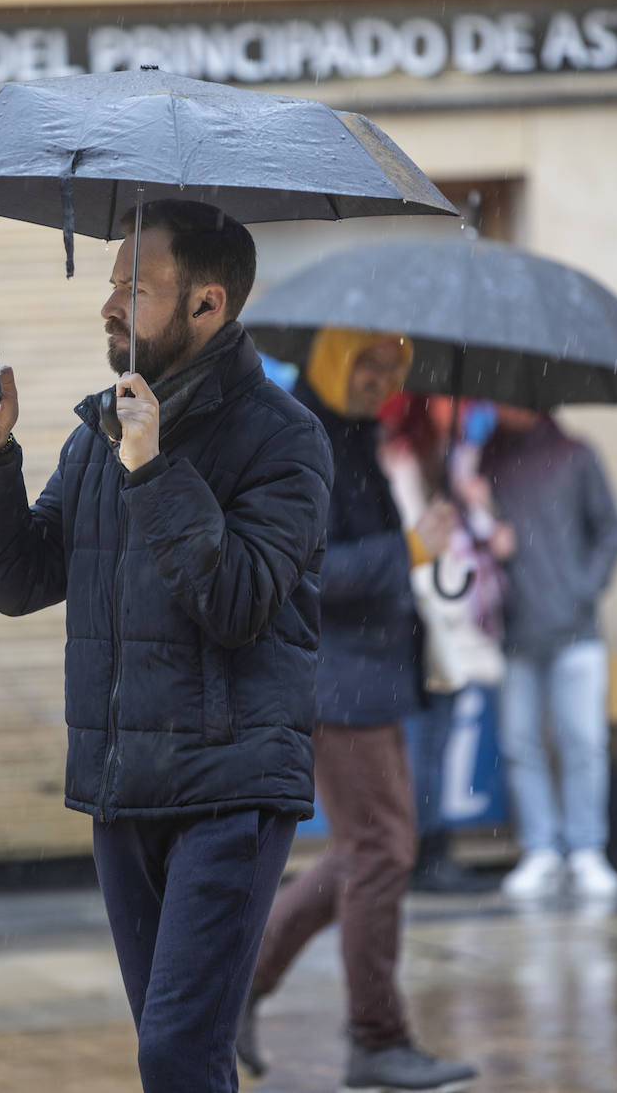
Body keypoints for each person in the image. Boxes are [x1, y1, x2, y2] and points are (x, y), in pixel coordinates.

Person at [0, 200, 333, 1093]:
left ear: (208, 305)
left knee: (177, 1054)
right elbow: (20, 578)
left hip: (228, 790)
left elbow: (235, 600)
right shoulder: (102, 434)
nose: (109, 305)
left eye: (134, 285)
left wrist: (156, 468)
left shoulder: (285, 440)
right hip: (122, 791)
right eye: (112, 281)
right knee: (176, 1055)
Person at [237, 328, 479, 1093]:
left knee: (367, 849)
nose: (380, 379)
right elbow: (306, 570)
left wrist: (424, 526)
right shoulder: (300, 438)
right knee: (381, 851)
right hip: (334, 674)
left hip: (365, 671)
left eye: (392, 367)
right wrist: (405, 550)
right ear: (333, 359)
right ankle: (377, 1037)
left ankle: (236, 989)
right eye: (367, 363)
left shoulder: (353, 433)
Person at [481, 405, 617, 901]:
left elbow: (610, 530)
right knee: (521, 744)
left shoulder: (576, 455)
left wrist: (579, 590)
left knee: (582, 742)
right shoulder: (485, 460)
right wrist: (483, 521)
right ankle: (540, 848)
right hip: (515, 630)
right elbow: (476, 542)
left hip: (575, 632)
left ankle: (587, 850)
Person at [379, 394, 511, 895]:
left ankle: (431, 848)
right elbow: (419, 545)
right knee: (423, 745)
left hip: (451, 624)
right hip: (423, 624)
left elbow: (472, 537)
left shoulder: (449, 463)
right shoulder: (403, 461)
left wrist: (473, 501)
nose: (457, 410)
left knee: (434, 742)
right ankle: (423, 853)